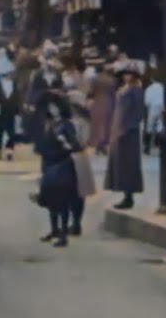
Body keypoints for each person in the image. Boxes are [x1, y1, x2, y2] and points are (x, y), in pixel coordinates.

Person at [35, 94, 84, 247]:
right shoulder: (48, 124)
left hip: (62, 165)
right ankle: (54, 230)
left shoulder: (66, 125)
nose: (52, 109)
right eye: (50, 107)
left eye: (55, 106)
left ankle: (63, 234)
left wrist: (65, 144)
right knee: (51, 200)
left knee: (62, 201)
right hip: (48, 164)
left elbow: (74, 145)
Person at [104, 67, 145, 209]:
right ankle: (125, 194)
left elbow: (138, 113)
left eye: (130, 74)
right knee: (120, 164)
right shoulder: (123, 89)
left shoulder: (137, 90)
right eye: (125, 74)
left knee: (128, 164)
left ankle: (129, 196)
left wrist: (126, 128)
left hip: (129, 133)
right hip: (118, 130)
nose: (127, 77)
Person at [88, 63, 117, 154]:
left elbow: (91, 91)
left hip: (97, 102)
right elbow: (113, 93)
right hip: (109, 103)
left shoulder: (95, 79)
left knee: (97, 125)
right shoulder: (111, 80)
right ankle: (104, 145)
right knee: (107, 125)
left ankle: (97, 145)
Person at [143, 69, 165, 156]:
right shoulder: (163, 88)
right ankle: (160, 147)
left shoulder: (149, 89)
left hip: (152, 108)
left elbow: (146, 101)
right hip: (161, 108)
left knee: (149, 127)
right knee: (160, 127)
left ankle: (147, 148)